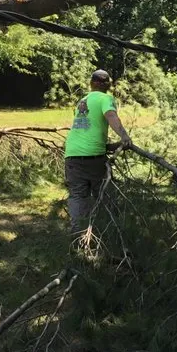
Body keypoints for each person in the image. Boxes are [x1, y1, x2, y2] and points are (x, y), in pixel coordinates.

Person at [63, 69, 133, 232]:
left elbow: (86, 131)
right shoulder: (106, 98)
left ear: (91, 83)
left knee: (78, 195)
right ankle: (110, 229)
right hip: (93, 158)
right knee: (104, 195)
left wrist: (109, 146)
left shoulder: (83, 100)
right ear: (108, 85)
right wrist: (124, 136)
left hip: (72, 154)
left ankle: (78, 233)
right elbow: (111, 116)